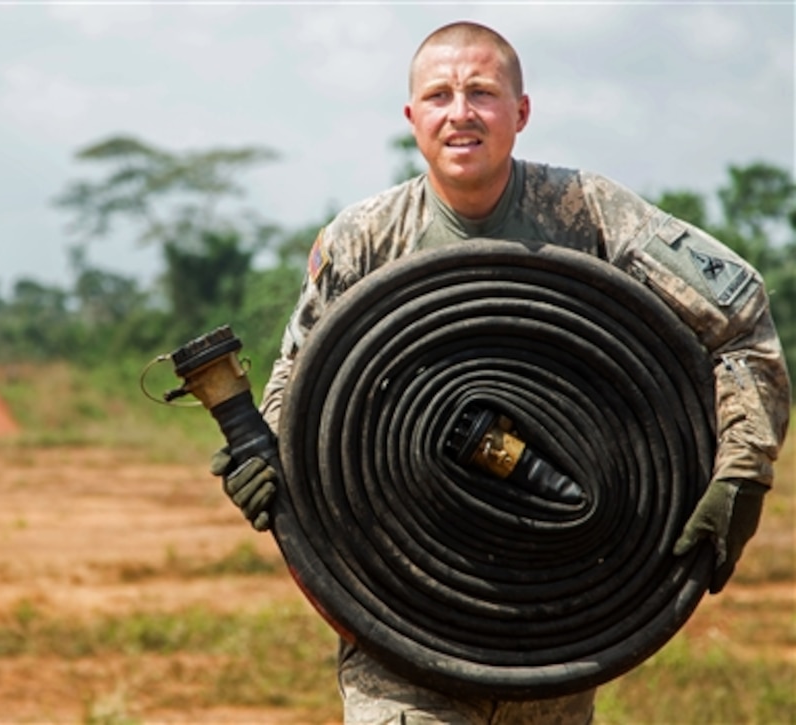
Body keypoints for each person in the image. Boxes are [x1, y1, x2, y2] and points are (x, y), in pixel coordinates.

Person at [210, 21, 790, 725]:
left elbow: (739, 314)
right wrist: (266, 452)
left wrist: (741, 472)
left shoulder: (588, 215)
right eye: (440, 95)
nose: (461, 112)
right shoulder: (365, 240)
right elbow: (298, 382)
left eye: (482, 92)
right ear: (412, 118)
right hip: (400, 607)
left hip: (552, 615)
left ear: (520, 112)